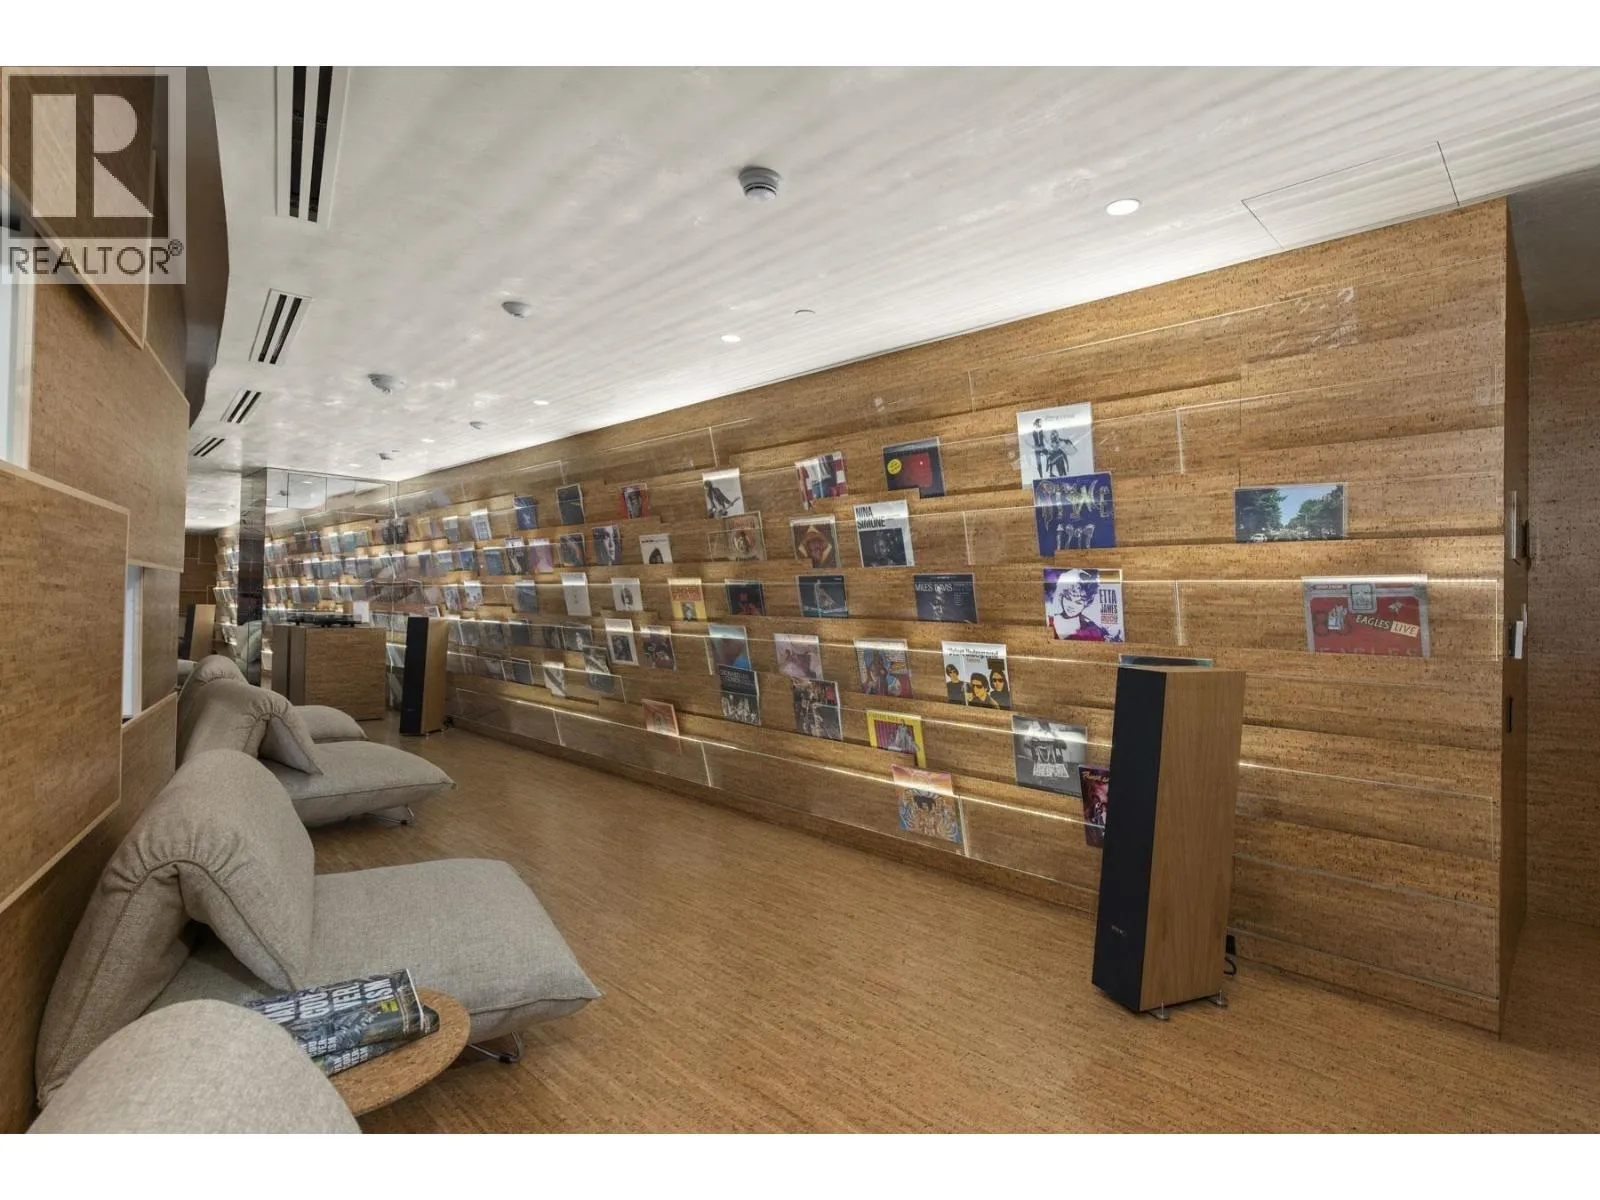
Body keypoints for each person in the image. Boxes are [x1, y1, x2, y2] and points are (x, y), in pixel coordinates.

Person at [1047, 568, 1110, 641]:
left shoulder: (1092, 630)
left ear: (1086, 604)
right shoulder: (1050, 620)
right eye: (1068, 598)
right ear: (1062, 596)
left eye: (1078, 602)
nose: (1071, 605)